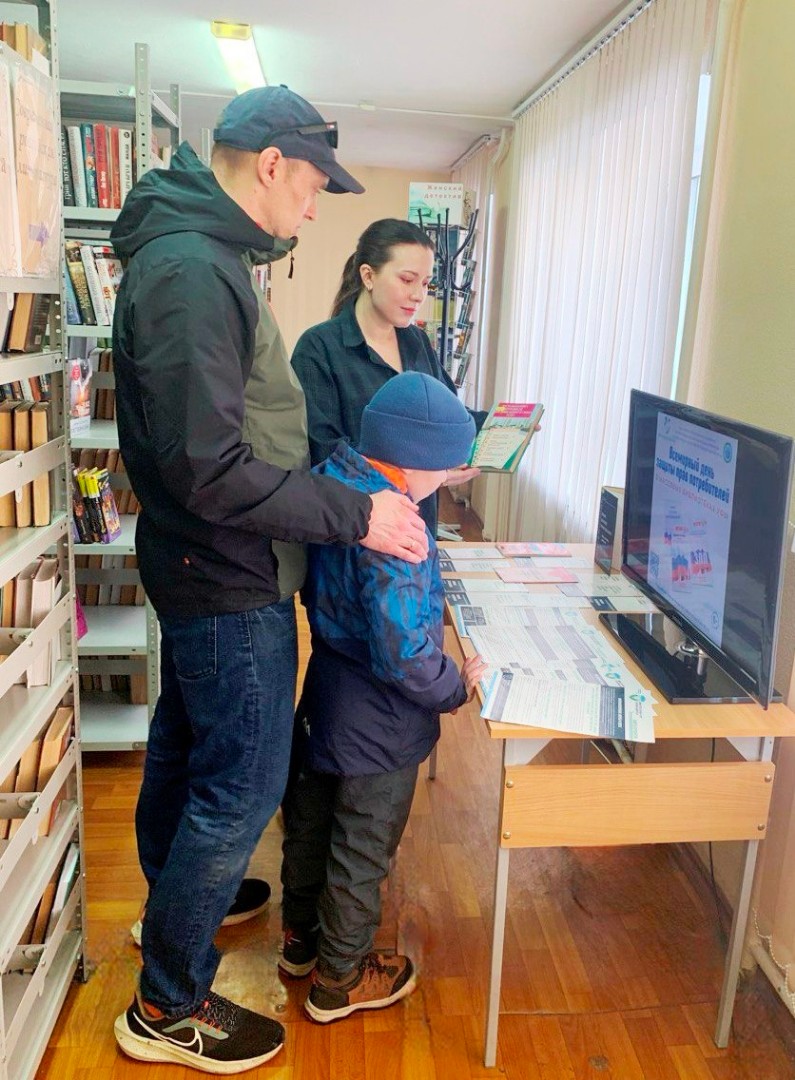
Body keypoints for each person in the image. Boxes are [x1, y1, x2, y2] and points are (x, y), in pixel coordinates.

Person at [109, 86, 430, 1074]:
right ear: (271, 164)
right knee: (239, 792)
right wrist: (357, 513)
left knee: (186, 750)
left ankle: (171, 912)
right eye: (313, 185)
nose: (315, 206)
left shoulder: (200, 254)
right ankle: (166, 1005)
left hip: (210, 566)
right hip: (227, 575)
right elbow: (209, 468)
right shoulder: (191, 271)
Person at [278, 372, 488, 1021]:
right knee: (361, 848)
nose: (448, 478)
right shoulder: (401, 532)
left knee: (311, 826)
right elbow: (405, 653)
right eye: (446, 465)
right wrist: (455, 684)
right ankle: (340, 979)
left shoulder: (339, 485)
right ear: (417, 459)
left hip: (327, 695)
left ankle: (300, 943)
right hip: (383, 720)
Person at [291, 218, 488, 537]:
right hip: (359, 531)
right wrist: (429, 470)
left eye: (426, 284)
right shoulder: (319, 348)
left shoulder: (417, 342)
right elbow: (324, 453)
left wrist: (501, 426)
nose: (418, 295)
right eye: (407, 280)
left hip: (417, 527)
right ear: (368, 276)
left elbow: (450, 417)